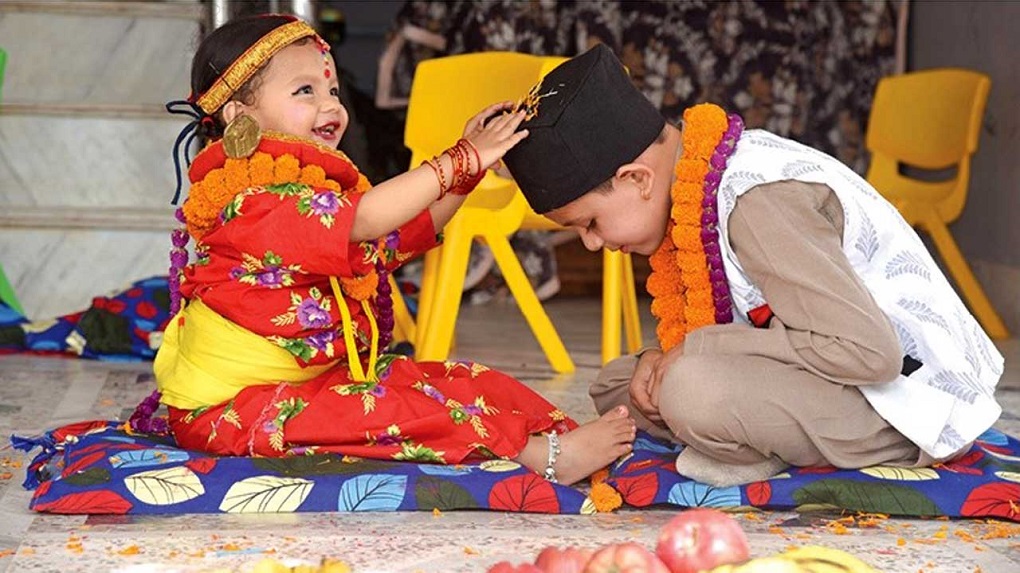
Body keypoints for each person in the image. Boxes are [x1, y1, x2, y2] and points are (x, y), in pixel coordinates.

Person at [150, 14, 635, 486]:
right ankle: (546, 457)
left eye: (332, 91)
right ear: (240, 117)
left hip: (316, 381)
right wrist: (459, 159)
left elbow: (393, 237)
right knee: (401, 411)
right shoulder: (253, 200)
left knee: (463, 382)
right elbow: (366, 219)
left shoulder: (311, 187)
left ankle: (556, 435)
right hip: (236, 407)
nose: (331, 105)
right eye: (305, 91)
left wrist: (466, 175)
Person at [502, 44, 1004, 487]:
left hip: (908, 406)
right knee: (622, 383)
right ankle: (744, 436)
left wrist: (699, 348)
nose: (592, 244)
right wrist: (666, 354)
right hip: (828, 377)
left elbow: (868, 354)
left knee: (689, 390)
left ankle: (751, 445)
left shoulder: (757, 202)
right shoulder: (698, 188)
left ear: (637, 179)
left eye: (589, 223)